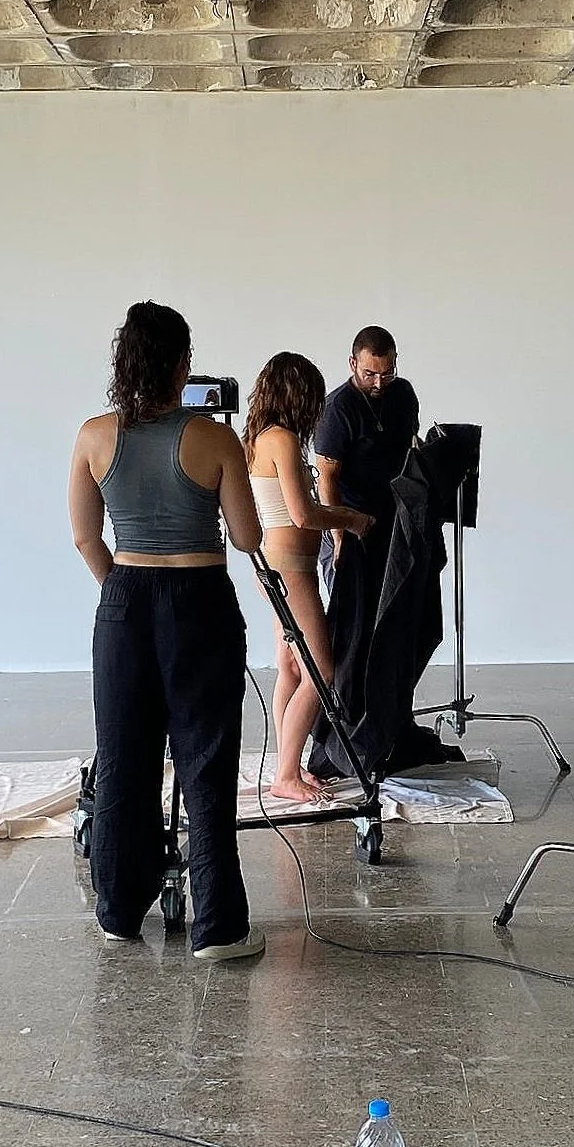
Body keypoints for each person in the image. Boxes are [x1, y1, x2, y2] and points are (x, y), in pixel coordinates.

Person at [68, 301, 265, 960]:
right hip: (198, 597)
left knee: (124, 761)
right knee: (205, 764)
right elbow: (245, 537)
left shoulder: (93, 436)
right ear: (182, 366)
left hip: (123, 599)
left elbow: (83, 537)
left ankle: (118, 912)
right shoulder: (213, 438)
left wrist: (124, 596)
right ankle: (217, 928)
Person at [243, 352, 373, 803]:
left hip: (276, 566)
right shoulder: (280, 440)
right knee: (322, 669)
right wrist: (350, 519)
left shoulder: (262, 437)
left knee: (290, 666)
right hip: (292, 568)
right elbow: (303, 514)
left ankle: (288, 764)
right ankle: (286, 774)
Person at [315, 326, 420, 593]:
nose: (378, 383)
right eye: (369, 374)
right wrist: (338, 537)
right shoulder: (337, 409)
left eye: (387, 374)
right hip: (351, 524)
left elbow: (412, 447)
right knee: (351, 616)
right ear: (353, 364)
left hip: (394, 520)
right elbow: (326, 477)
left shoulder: (403, 394)